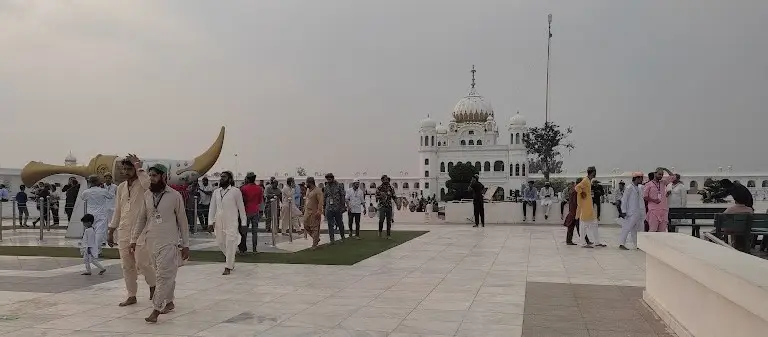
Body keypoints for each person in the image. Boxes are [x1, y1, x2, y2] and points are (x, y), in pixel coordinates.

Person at [130, 164, 190, 323]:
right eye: (150, 176)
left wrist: (185, 244)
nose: (152, 179)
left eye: (155, 175)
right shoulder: (148, 195)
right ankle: (169, 302)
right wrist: (134, 240)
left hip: (169, 242)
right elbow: (141, 219)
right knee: (163, 274)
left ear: (164, 177)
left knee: (163, 276)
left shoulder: (174, 195)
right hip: (151, 242)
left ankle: (156, 309)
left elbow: (182, 221)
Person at [107, 155, 157, 307]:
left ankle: (154, 285)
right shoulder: (121, 187)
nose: (126, 171)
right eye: (124, 169)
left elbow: (150, 185)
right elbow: (118, 209)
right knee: (127, 265)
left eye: (129, 169)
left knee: (142, 262)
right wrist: (111, 229)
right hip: (124, 230)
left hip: (141, 230)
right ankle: (131, 295)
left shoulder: (143, 184)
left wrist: (139, 167)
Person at [208, 171, 246, 275]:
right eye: (221, 177)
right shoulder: (216, 192)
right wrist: (210, 222)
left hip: (232, 221)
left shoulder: (236, 191)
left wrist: (244, 223)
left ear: (230, 179)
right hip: (219, 222)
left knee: (230, 242)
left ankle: (228, 266)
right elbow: (212, 208)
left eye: (224, 177)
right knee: (220, 242)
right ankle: (231, 258)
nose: (221, 179)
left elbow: (241, 208)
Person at [80, 175, 115, 252]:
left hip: (90, 215)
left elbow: (83, 198)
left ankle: (89, 247)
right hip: (101, 214)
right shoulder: (103, 191)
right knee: (99, 232)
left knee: (90, 232)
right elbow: (111, 196)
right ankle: (96, 249)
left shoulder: (86, 192)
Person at [576, 167, 604, 248]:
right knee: (583, 225)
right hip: (585, 206)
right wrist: (582, 193)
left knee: (594, 224)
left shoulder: (588, 180)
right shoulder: (585, 180)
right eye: (595, 172)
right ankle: (583, 243)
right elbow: (577, 187)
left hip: (589, 206)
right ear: (592, 172)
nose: (596, 173)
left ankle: (597, 242)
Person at [618, 173, 646, 250]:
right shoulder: (629, 187)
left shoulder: (639, 188)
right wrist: (623, 210)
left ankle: (637, 245)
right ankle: (621, 243)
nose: (642, 180)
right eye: (641, 178)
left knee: (636, 229)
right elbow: (624, 200)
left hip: (638, 212)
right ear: (636, 178)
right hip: (630, 212)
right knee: (627, 228)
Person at [643, 167, 675, 232]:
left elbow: (673, 177)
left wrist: (665, 169)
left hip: (663, 210)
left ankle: (661, 242)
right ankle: (651, 242)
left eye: (662, 175)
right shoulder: (648, 184)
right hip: (653, 210)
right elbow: (645, 197)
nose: (661, 176)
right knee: (653, 230)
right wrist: (654, 200)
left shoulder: (663, 183)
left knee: (662, 231)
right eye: (659, 174)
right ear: (655, 174)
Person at [239, 172, 263, 254]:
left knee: (244, 231)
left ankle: (243, 249)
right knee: (254, 232)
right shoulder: (259, 188)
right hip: (255, 211)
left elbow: (241, 201)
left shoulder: (243, 188)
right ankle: (254, 249)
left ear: (248, 179)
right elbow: (260, 201)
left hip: (246, 211)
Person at [564, 178, 590, 245]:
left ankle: (569, 241)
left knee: (572, 226)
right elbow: (577, 202)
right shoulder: (576, 191)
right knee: (579, 227)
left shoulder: (573, 190)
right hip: (576, 212)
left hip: (572, 211)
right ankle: (586, 241)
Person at [323, 173, 346, 242]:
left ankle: (342, 237)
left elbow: (342, 196)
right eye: (327, 179)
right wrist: (324, 208)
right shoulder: (326, 187)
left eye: (329, 178)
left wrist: (343, 206)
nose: (328, 180)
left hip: (337, 207)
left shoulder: (339, 185)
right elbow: (325, 197)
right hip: (329, 208)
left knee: (340, 223)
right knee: (330, 224)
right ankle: (332, 239)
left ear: (332, 178)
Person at [302, 177, 324, 248]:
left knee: (315, 228)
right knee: (305, 225)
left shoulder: (318, 191)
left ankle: (314, 244)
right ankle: (316, 239)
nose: (306, 184)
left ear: (310, 183)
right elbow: (307, 199)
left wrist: (319, 211)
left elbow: (320, 202)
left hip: (315, 212)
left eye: (307, 183)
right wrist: (304, 207)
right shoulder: (308, 190)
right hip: (307, 211)